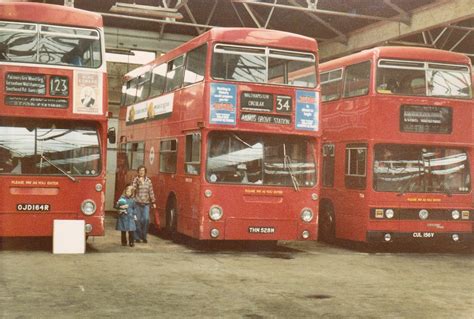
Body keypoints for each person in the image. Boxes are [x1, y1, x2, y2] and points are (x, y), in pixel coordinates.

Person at [132, 165, 156, 243]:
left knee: (146, 219)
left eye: (143, 170)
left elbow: (151, 191)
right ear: (138, 172)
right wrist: (139, 182)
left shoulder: (148, 181)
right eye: (140, 170)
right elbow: (133, 189)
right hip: (137, 203)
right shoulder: (135, 179)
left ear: (145, 172)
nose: (141, 172)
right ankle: (137, 237)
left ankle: (144, 236)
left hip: (146, 204)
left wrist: (153, 201)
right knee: (137, 220)